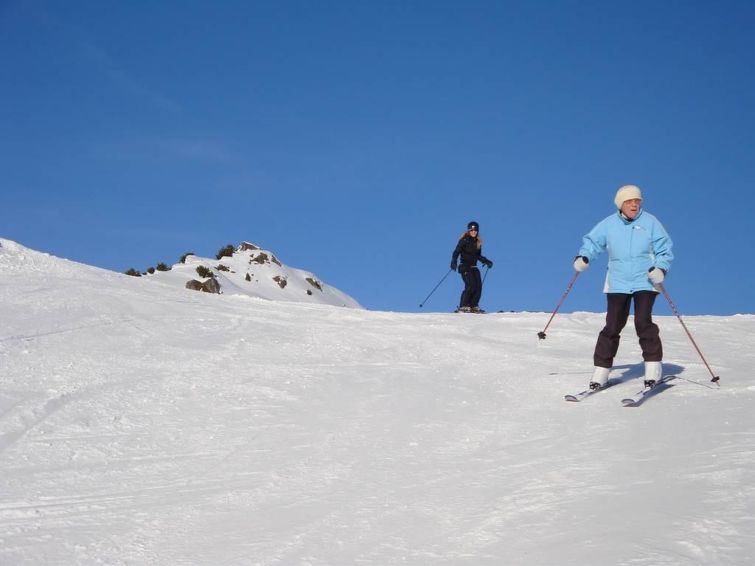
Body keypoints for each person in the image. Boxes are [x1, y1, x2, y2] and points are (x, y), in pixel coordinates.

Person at [573, 185, 673, 390]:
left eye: (637, 201)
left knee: (643, 322)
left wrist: (661, 268)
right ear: (621, 204)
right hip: (617, 282)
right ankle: (601, 372)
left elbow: (665, 248)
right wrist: (584, 257)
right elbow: (592, 242)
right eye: (629, 201)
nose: (634, 204)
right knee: (612, 326)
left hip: (645, 281)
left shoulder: (650, 222)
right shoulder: (609, 224)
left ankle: (653, 368)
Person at [451, 221, 493, 313]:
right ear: (469, 230)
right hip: (465, 266)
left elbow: (478, 256)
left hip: (474, 267)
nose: (473, 232)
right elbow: (456, 251)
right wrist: (454, 261)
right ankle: (463, 306)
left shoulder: (478, 242)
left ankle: (474, 306)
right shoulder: (464, 240)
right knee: (471, 285)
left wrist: (486, 261)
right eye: (472, 230)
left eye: (475, 230)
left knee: (478, 286)